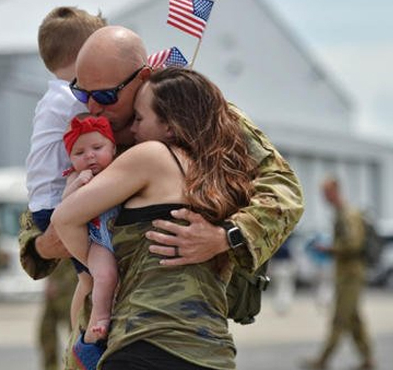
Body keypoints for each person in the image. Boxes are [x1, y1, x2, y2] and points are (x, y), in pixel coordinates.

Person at [18, 26, 304, 370]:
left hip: (172, 329)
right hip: (100, 329)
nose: (93, 106)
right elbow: (39, 224)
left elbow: (283, 190)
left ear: (143, 77)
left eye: (107, 96)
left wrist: (223, 237)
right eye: (81, 93)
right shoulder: (85, 134)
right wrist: (51, 242)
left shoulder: (198, 114)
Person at [52, 67, 260, 369]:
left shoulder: (152, 155)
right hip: (212, 351)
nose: (132, 129)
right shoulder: (227, 177)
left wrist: (98, 267)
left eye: (140, 118)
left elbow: (65, 219)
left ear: (170, 127)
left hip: (146, 342)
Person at [24, 8, 106, 370]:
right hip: (61, 203)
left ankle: (81, 338)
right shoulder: (75, 101)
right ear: (87, 52)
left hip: (45, 203)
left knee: (87, 278)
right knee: (98, 275)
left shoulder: (54, 98)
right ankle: (86, 340)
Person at [301, 177, 376, 370]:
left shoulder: (347, 214)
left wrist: (329, 248)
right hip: (346, 273)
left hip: (351, 275)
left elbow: (354, 243)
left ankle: (323, 360)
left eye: (326, 193)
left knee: (340, 318)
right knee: (354, 319)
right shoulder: (341, 213)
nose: (324, 197)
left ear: (335, 191)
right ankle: (368, 359)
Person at [61, 114, 118, 342]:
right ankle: (101, 317)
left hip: (123, 236)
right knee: (103, 276)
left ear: (113, 148)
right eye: (80, 153)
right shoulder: (76, 177)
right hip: (99, 240)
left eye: (97, 147)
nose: (90, 155)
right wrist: (77, 184)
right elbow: (64, 207)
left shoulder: (123, 168)